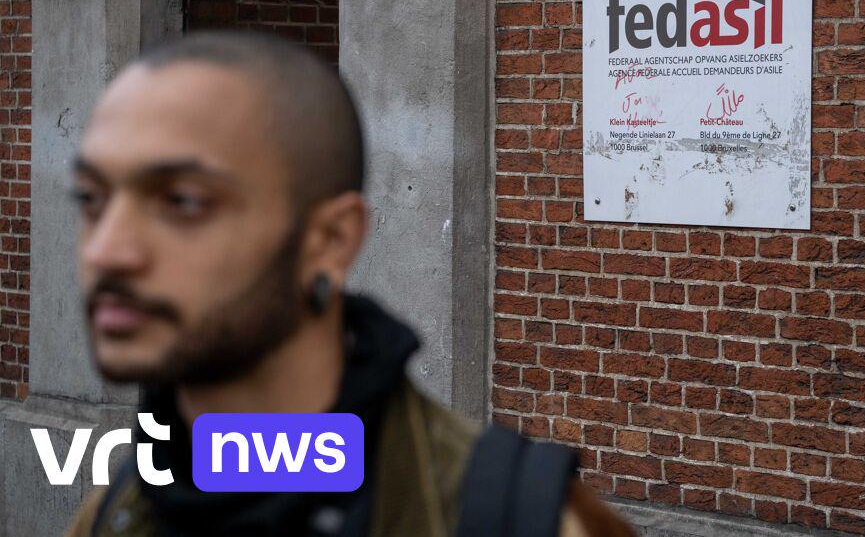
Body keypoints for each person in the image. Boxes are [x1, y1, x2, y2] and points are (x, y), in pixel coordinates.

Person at [64, 31, 632, 537]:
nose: (107, 251)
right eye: (92, 199)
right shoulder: (114, 512)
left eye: (183, 202)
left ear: (330, 241)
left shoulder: (518, 518)